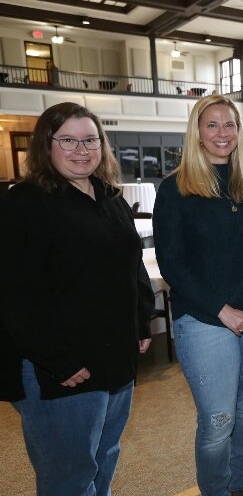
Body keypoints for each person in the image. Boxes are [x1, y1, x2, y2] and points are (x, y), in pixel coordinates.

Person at [0, 102, 154, 495]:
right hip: (62, 370)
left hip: (115, 359)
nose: (81, 150)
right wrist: (58, 362)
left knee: (104, 458)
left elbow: (131, 266)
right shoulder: (25, 203)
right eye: (68, 140)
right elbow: (14, 295)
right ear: (46, 145)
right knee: (69, 477)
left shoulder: (109, 196)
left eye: (90, 140)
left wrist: (141, 321)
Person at [153, 94, 243, 496]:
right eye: (212, 125)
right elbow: (172, 264)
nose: (222, 133)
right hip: (205, 321)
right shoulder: (175, 189)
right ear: (197, 132)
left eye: (230, 125)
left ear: (240, 132)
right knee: (218, 420)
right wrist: (221, 310)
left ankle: (240, 486)